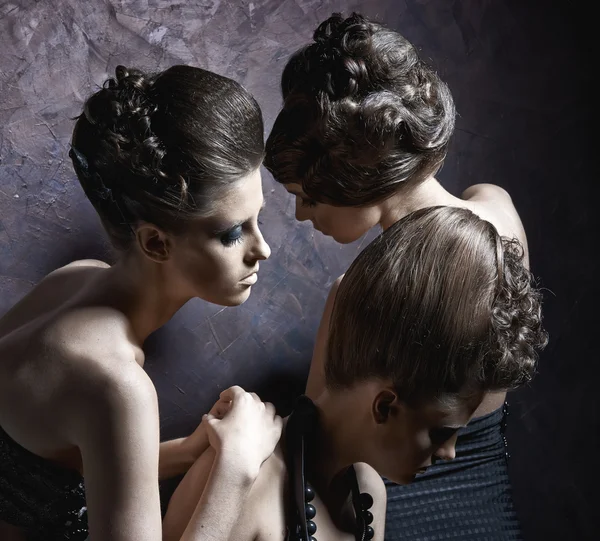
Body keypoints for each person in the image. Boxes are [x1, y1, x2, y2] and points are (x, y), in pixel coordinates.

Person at [265, 12, 538, 540]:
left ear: (359, 180)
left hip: (394, 518)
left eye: (308, 196)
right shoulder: (499, 212)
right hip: (492, 511)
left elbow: (314, 452)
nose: (302, 216)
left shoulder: (358, 300)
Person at [0, 65, 280, 541]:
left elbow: (56, 462)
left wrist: (190, 452)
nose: (263, 249)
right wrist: (236, 467)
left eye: (257, 220)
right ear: (155, 243)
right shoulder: (117, 386)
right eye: (233, 233)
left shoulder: (71, 283)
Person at [162, 205, 547, 541]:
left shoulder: (368, 494)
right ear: (384, 406)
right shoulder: (242, 480)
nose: (449, 453)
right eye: (441, 432)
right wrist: (233, 473)